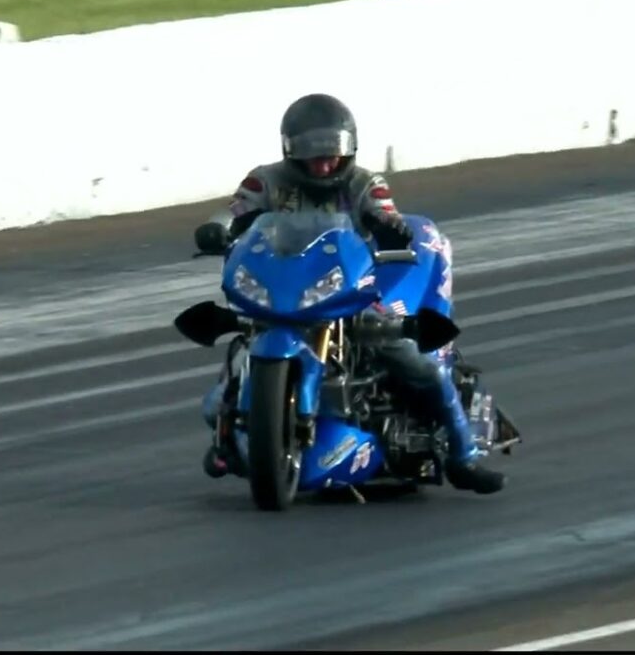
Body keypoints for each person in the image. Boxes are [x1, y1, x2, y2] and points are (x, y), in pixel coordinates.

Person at [194, 93, 506, 495]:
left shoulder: (365, 184)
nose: (324, 164)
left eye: (332, 154)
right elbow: (237, 211)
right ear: (290, 151)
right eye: (311, 154)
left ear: (349, 149)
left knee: (416, 359)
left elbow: (386, 214)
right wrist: (216, 228)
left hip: (349, 289)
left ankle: (463, 456)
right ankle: (230, 440)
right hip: (285, 285)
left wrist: (392, 228)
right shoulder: (266, 179)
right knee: (227, 378)